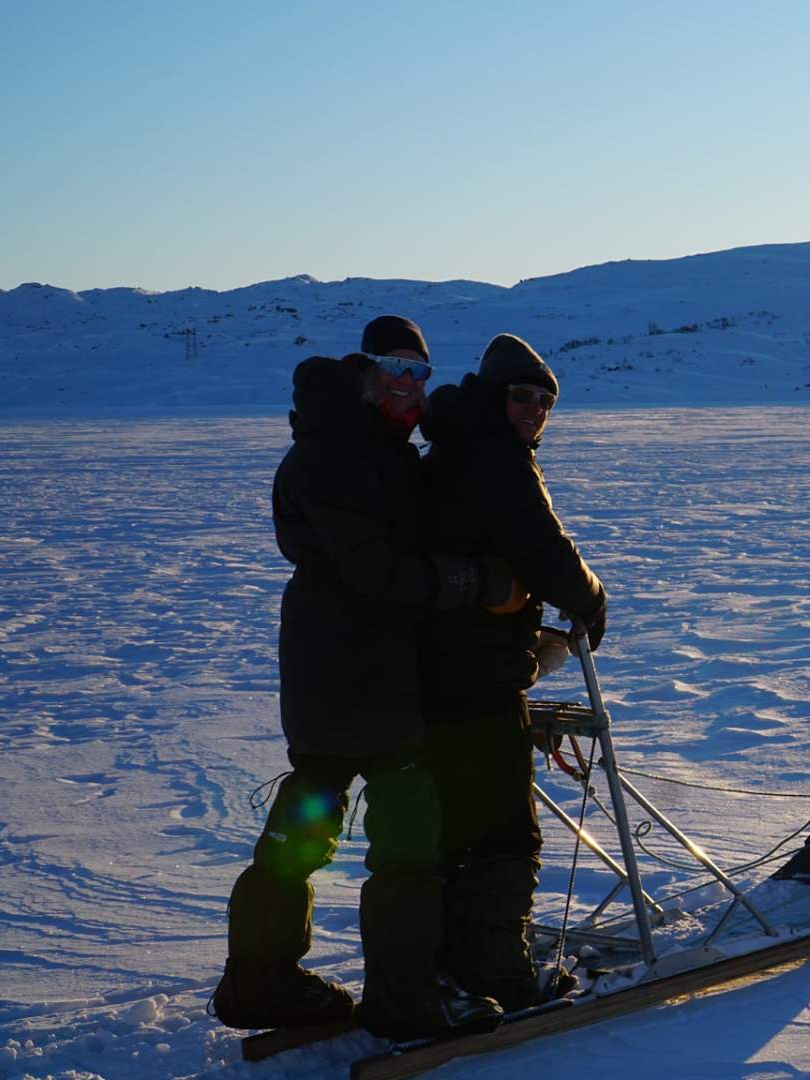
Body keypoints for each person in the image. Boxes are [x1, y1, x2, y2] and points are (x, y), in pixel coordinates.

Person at [213, 316, 512, 1038]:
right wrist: (476, 582)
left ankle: (262, 980)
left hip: (334, 671)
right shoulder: (340, 454)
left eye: (422, 372)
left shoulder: (365, 447)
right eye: (398, 368)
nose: (412, 385)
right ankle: (404, 1000)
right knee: (408, 837)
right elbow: (376, 569)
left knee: (302, 828)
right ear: (365, 372)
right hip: (360, 676)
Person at [417, 332, 607, 1010]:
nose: (534, 410)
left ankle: (445, 961)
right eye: (522, 396)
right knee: (505, 828)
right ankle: (499, 974)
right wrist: (590, 600)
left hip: (434, 669)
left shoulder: (451, 447)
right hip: (478, 671)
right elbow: (543, 545)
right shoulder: (496, 458)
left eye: (545, 401)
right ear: (495, 397)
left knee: (455, 826)